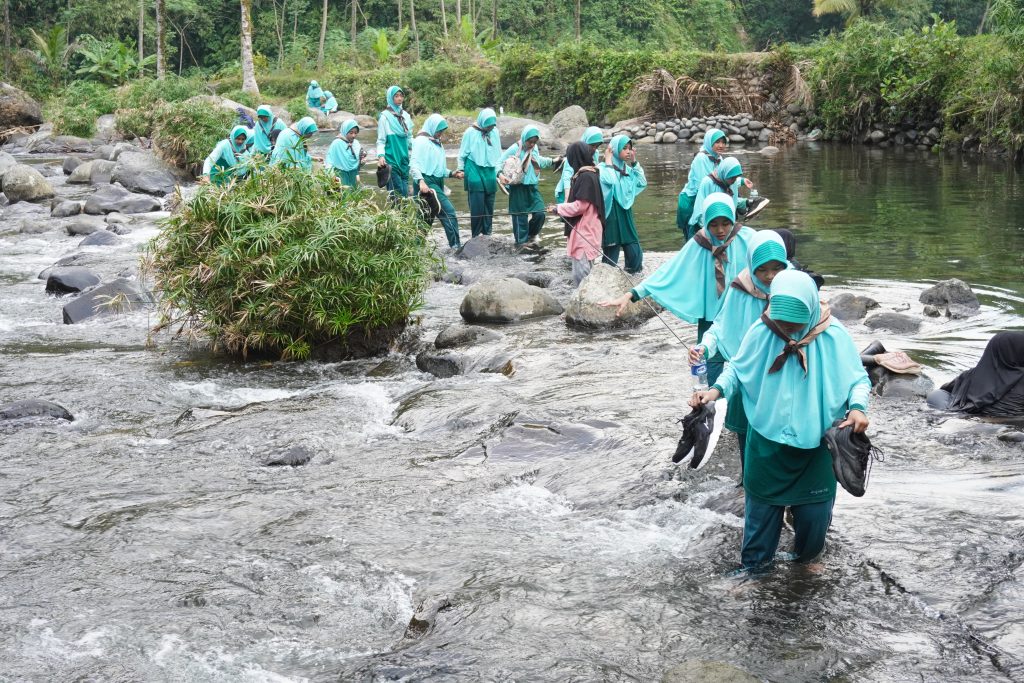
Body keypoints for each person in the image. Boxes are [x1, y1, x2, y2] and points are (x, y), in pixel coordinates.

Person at [690, 270, 870, 572]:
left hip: (817, 445)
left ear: (810, 311)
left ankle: (807, 562)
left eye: (794, 322)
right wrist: (715, 391)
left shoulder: (834, 335)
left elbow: (858, 379)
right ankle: (754, 571)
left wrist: (858, 408)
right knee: (761, 517)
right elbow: (737, 369)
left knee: (814, 519)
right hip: (767, 442)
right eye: (781, 321)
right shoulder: (762, 330)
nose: (786, 330)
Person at [601, 192, 754, 383]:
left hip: (740, 314)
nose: (720, 230)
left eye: (726, 223)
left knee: (746, 366)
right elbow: (669, 271)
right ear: (706, 223)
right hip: (711, 318)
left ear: (733, 219)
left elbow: (773, 262)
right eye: (714, 224)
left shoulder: (748, 239)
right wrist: (632, 294)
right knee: (709, 370)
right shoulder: (700, 243)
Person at [688, 230, 790, 479]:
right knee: (746, 434)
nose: (770, 276)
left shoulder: (794, 290)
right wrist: (704, 347)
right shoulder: (740, 289)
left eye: (777, 268)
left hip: (784, 375)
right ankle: (747, 481)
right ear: (751, 266)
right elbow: (721, 327)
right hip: (747, 375)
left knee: (783, 437)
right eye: (762, 269)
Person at [928, 332, 1024, 417]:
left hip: (967, 416)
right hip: (1007, 423)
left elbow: (945, 388)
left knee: (936, 395)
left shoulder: (971, 375)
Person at [549, 141, 605, 285]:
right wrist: (559, 208)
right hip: (589, 230)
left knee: (582, 276)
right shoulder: (589, 173)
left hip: (585, 232)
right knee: (585, 273)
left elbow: (580, 206)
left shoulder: (586, 177)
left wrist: (558, 209)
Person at [411, 114, 465, 249]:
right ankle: (456, 247)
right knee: (448, 212)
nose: (440, 133)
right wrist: (421, 182)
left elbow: (438, 168)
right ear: (431, 127)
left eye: (442, 131)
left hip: (436, 181)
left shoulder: (436, 142)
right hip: (426, 183)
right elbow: (414, 164)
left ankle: (414, 248)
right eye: (438, 130)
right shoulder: (421, 141)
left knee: (426, 218)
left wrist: (452, 174)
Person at [498, 126, 558, 247]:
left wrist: (552, 161)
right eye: (529, 142)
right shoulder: (514, 149)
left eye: (534, 142)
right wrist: (500, 175)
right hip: (518, 189)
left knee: (540, 213)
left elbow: (537, 160)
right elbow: (498, 163)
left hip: (532, 188)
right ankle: (521, 244)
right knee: (520, 219)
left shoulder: (534, 148)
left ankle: (531, 236)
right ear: (524, 138)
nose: (532, 144)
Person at [599, 135, 647, 274]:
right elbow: (611, 180)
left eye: (630, 149)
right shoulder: (602, 168)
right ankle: (606, 282)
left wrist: (634, 162)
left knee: (635, 255)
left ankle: (633, 280)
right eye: (624, 148)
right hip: (611, 214)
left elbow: (642, 182)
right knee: (610, 258)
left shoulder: (628, 170)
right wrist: (608, 161)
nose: (628, 151)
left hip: (626, 213)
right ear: (614, 149)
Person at [457, 107, 502, 238]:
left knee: (489, 203)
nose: (490, 128)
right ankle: (476, 235)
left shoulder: (494, 132)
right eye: (488, 126)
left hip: (490, 169)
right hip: (473, 167)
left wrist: (500, 172)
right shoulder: (470, 132)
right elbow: (462, 154)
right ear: (482, 122)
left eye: (492, 126)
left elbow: (498, 153)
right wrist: (460, 169)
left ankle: (487, 234)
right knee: (477, 204)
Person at [676, 127, 726, 239]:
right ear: (709, 142)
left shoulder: (719, 159)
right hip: (691, 201)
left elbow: (724, 178)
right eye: (717, 142)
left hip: (705, 199)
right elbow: (702, 186)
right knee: (693, 239)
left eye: (723, 142)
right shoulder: (701, 158)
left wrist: (740, 181)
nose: (721, 145)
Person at [688, 157, 751, 233]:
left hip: (725, 226)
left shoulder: (732, 184)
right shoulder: (708, 183)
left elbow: (731, 203)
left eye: (736, 177)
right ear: (725, 174)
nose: (734, 180)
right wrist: (706, 230)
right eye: (732, 178)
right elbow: (700, 208)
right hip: (707, 226)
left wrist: (745, 202)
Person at [376, 85, 414, 197]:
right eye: (396, 96)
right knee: (396, 196)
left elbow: (410, 138)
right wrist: (381, 156)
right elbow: (381, 140)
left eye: (401, 96)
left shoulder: (406, 116)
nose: (399, 98)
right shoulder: (385, 117)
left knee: (405, 196)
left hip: (404, 161)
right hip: (391, 160)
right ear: (390, 98)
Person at [555, 126, 603, 203]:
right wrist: (567, 199)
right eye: (592, 145)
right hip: (567, 190)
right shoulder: (575, 153)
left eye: (597, 146)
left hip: (582, 188)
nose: (594, 149)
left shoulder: (596, 153)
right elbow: (567, 177)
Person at [324, 119, 365, 188]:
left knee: (354, 193)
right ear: (345, 131)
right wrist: (331, 176)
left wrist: (362, 162)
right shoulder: (337, 143)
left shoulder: (356, 143)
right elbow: (329, 161)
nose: (353, 135)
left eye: (355, 133)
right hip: (341, 174)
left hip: (353, 174)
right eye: (351, 133)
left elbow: (358, 161)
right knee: (344, 193)